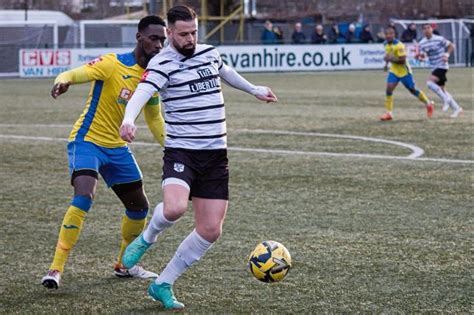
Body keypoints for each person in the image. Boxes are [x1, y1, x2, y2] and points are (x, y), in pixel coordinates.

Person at [119, 5, 277, 310]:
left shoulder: (209, 52)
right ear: (170, 33)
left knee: (210, 230)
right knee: (175, 208)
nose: (190, 38)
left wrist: (253, 89)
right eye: (183, 34)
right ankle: (147, 238)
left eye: (193, 32)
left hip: (216, 154)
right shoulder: (163, 62)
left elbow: (226, 72)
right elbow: (141, 92)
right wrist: (129, 119)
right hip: (183, 151)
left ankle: (162, 284)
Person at [41, 16, 167, 289]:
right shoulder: (113, 63)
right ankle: (55, 269)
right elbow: (75, 74)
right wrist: (62, 81)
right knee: (84, 195)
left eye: (162, 40)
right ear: (139, 37)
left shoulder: (152, 77)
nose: (158, 45)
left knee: (139, 208)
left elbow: (155, 119)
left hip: (118, 148)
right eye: (153, 38)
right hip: (87, 141)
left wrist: (172, 147)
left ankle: (124, 265)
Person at [380, 25, 434, 121]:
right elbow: (388, 54)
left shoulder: (399, 45)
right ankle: (389, 113)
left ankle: (428, 104)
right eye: (386, 34)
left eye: (390, 34)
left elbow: (402, 60)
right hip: (394, 71)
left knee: (412, 89)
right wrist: (386, 63)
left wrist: (391, 59)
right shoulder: (385, 44)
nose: (388, 36)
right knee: (388, 90)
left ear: (394, 35)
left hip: (404, 71)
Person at [417, 23, 463, 117]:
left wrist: (446, 55)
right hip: (434, 66)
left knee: (429, 83)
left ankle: (445, 100)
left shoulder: (439, 39)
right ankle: (457, 108)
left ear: (432, 29)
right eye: (425, 28)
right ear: (423, 31)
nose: (427, 30)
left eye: (428, 28)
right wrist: (421, 58)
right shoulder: (422, 43)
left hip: (442, 65)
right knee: (442, 90)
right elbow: (423, 55)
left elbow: (451, 46)